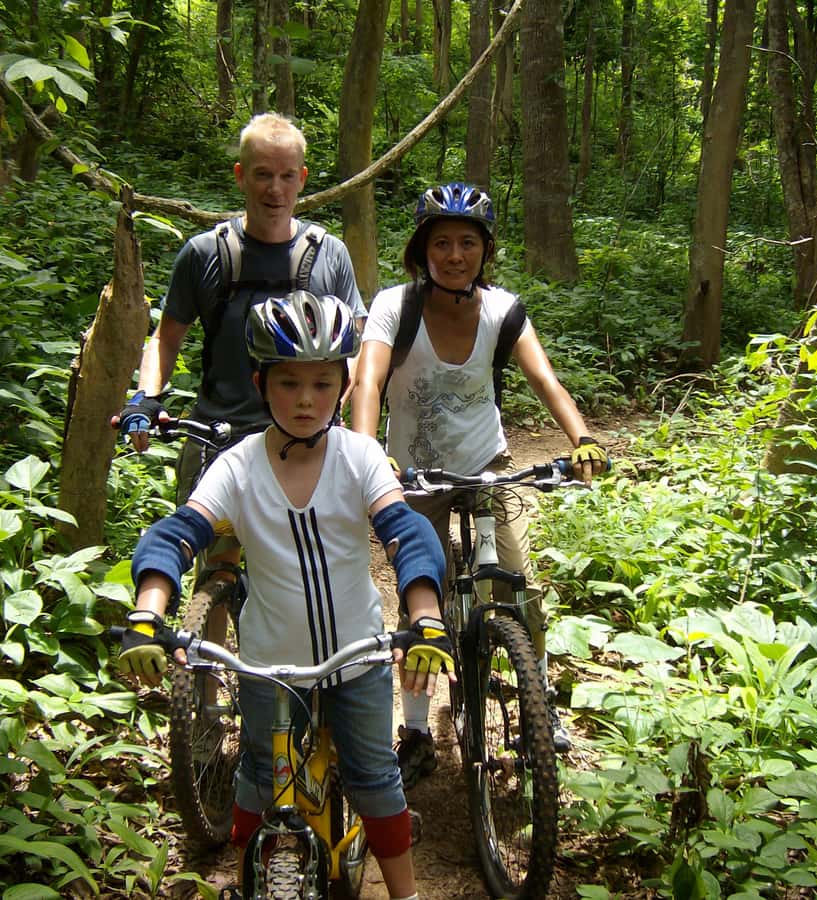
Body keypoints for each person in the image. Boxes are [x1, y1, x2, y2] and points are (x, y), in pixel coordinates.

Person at [117, 292, 454, 900]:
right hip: (269, 665)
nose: (305, 399)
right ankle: (248, 879)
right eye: (288, 381)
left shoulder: (360, 457)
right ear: (260, 383)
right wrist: (148, 610)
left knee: (376, 779)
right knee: (254, 781)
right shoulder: (237, 465)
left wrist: (425, 616)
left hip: (357, 656)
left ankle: (404, 895)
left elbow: (407, 533)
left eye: (323, 383)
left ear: (344, 385)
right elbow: (178, 534)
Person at [351, 182, 608, 784]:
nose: (455, 254)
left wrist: (582, 439)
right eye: (442, 242)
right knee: (424, 596)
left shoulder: (502, 310)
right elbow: (368, 382)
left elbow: (545, 379)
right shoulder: (395, 306)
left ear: (485, 251)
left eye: (468, 242)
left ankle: (535, 706)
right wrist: (366, 451)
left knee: (519, 585)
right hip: (413, 477)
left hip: (488, 466)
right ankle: (415, 728)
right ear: (422, 250)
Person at [114, 112, 366, 576]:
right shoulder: (206, 254)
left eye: (287, 176)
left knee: (305, 569)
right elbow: (166, 338)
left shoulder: (329, 254)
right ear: (241, 177)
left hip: (305, 440)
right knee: (218, 565)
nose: (275, 189)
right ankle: (210, 643)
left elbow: (355, 347)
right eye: (263, 175)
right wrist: (146, 398)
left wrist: (332, 409)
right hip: (219, 435)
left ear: (302, 179)